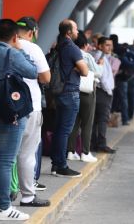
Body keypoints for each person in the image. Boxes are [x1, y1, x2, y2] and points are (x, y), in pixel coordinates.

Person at [0, 19, 37, 221]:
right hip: (8, 116)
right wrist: (21, 50)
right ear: (14, 37)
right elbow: (33, 71)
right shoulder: (12, 54)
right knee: (6, 160)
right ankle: (3, 208)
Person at [15, 16, 51, 207]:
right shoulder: (32, 48)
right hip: (30, 107)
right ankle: (28, 196)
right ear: (32, 32)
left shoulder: (6, 46)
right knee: (26, 154)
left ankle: (2, 194)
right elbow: (46, 77)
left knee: (5, 154)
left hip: (7, 107)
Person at [50, 19, 88, 177]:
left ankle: (55, 164)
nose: (78, 32)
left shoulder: (58, 46)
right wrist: (77, 68)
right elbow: (85, 71)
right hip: (70, 92)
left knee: (59, 130)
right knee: (65, 131)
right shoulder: (72, 48)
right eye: (76, 29)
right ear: (68, 32)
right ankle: (61, 166)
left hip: (59, 92)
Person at [67, 30, 102, 162]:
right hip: (87, 92)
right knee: (87, 123)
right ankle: (85, 152)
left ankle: (71, 151)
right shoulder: (86, 56)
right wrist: (101, 65)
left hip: (73, 90)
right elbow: (98, 73)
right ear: (85, 44)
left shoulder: (69, 53)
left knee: (74, 122)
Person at [91, 37, 116, 154]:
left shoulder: (103, 57)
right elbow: (102, 76)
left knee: (97, 119)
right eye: (106, 45)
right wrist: (108, 91)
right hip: (103, 92)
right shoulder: (100, 57)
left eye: (110, 45)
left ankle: (94, 143)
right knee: (102, 118)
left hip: (102, 92)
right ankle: (101, 144)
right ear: (100, 46)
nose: (109, 47)